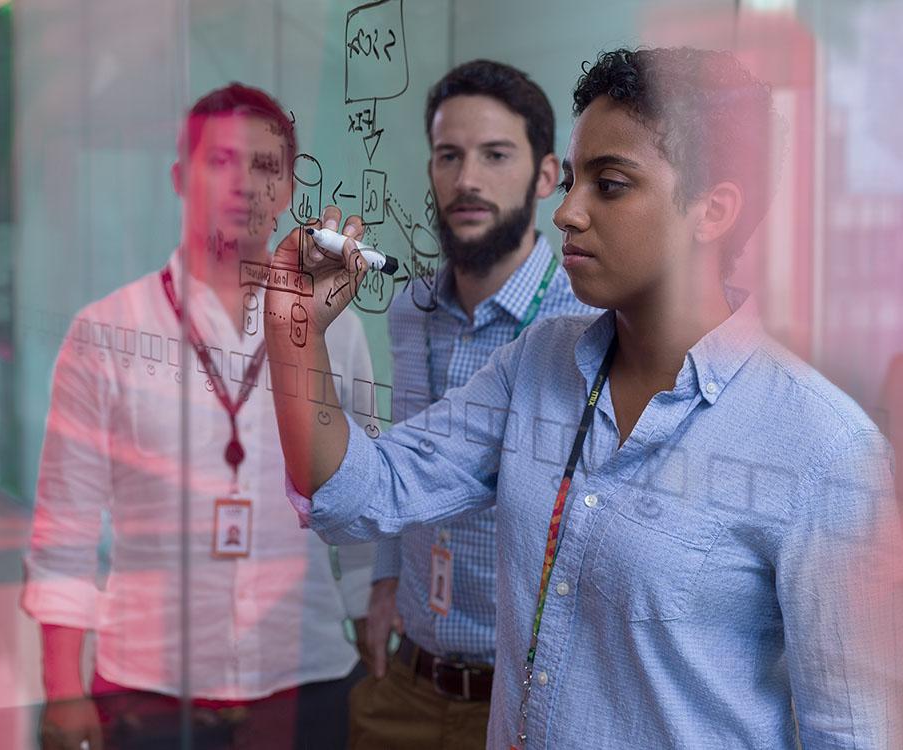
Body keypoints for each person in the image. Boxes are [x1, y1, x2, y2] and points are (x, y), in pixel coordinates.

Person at [264, 48, 902, 749]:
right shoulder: (538, 364)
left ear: (714, 209)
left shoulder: (825, 449)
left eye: (612, 184)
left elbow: (850, 732)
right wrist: (294, 327)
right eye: (572, 181)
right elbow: (356, 493)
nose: (567, 212)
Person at [23, 82, 376, 750]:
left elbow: (357, 505)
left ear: (288, 188)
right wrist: (61, 688)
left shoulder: (335, 330)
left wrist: (368, 629)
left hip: (305, 681)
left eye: (266, 167)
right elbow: (64, 525)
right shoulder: (106, 330)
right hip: (149, 691)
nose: (245, 184)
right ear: (181, 178)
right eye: (221, 162)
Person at [351, 60, 593, 750]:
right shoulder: (411, 310)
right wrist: (385, 581)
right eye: (448, 156)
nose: (467, 181)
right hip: (407, 684)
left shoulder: (584, 319)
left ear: (547, 177)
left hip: (524, 707)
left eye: (495, 155)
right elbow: (403, 458)